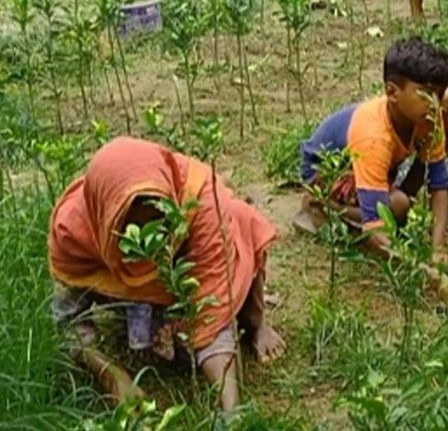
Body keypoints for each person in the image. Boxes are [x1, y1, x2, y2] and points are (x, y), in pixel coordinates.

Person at [48, 137, 285, 411]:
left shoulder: (201, 204)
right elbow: (68, 322)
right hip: (142, 294)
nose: (155, 247)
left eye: (161, 228)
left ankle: (256, 322)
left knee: (238, 217)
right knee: (177, 350)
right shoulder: (74, 232)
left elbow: (210, 314)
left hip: (192, 277)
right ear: (108, 221)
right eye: (135, 233)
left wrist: (230, 410)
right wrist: (111, 375)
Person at [297, 37, 448, 283]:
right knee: (397, 205)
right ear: (391, 92)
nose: (436, 104)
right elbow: (374, 232)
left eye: (439, 94)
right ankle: (320, 206)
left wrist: (438, 248)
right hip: (323, 170)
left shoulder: (427, 113)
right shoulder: (373, 137)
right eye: (427, 94)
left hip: (374, 162)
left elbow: (439, 185)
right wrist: (428, 277)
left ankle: (381, 191)